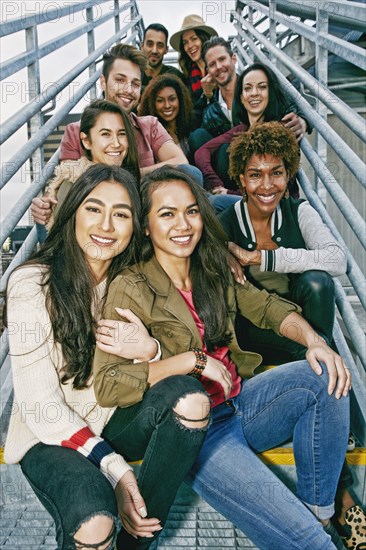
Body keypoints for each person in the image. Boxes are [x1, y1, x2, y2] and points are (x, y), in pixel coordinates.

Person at [93, 165, 351, 550]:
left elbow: (267, 309)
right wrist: (191, 362)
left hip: (240, 404)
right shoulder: (131, 287)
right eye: (167, 214)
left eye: (191, 211)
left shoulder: (211, 268)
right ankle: (309, 534)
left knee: (324, 374)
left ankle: (318, 513)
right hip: (198, 433)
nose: (183, 224)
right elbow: (108, 384)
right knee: (312, 545)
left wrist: (315, 340)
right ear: (145, 225)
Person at [4, 164, 210, 550]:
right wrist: (117, 471)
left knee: (191, 399)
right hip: (48, 435)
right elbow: (41, 406)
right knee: (95, 521)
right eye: (93, 209)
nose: (107, 225)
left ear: (135, 227)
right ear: (72, 214)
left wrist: (151, 350)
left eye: (121, 214)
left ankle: (138, 542)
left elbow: (169, 352)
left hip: (112, 417)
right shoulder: (32, 284)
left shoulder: (133, 282)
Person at [224, 120, 364, 549]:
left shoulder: (298, 211)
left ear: (290, 174)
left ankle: (333, 497)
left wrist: (265, 260)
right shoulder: (226, 220)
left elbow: (337, 258)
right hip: (251, 330)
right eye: (255, 174)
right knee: (322, 374)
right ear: (241, 178)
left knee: (320, 282)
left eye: (277, 172)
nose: (267, 184)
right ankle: (341, 503)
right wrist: (225, 250)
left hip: (295, 329)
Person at [31, 43, 189, 227]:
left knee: (193, 175)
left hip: (145, 209)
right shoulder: (76, 130)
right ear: (103, 82)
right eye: (120, 80)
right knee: (46, 213)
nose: (128, 90)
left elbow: (180, 162)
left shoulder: (149, 125)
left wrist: (132, 175)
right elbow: (67, 180)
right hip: (99, 215)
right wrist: (46, 201)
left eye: (135, 84)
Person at [194, 61, 310, 211]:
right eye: (248, 88)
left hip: (276, 206)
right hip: (247, 199)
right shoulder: (241, 129)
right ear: (241, 97)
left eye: (262, 87)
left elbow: (273, 188)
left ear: (270, 93)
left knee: (215, 204)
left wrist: (228, 193)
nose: (254, 92)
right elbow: (201, 152)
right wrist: (216, 184)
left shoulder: (282, 130)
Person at [45, 99, 140, 228]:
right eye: (106, 134)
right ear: (86, 141)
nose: (116, 144)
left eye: (122, 134)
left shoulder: (130, 181)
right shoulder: (73, 184)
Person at [138, 74, 196, 161]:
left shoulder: (191, 129)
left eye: (172, 99)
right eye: (160, 101)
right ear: (152, 104)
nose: (167, 105)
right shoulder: (146, 137)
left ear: (180, 100)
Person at [169, 14, 218, 108]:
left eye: (194, 39)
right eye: (185, 42)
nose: (190, 46)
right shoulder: (186, 78)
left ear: (204, 39)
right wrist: (207, 95)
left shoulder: (220, 68)